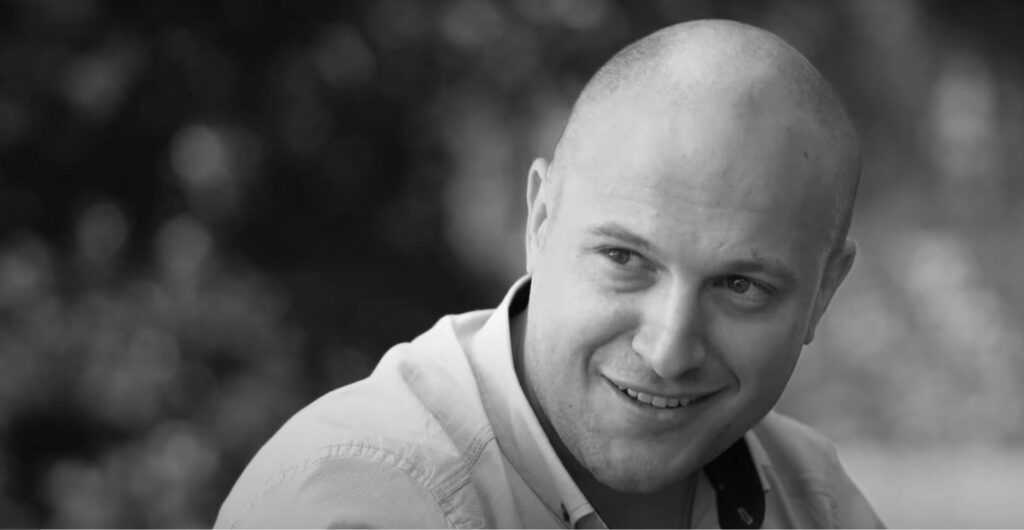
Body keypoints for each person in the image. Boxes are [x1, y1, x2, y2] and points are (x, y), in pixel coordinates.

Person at [215, 19, 884, 529]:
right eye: (624, 259)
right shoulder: (357, 503)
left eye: (740, 287)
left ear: (824, 291)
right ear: (540, 218)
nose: (668, 350)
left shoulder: (811, 499)